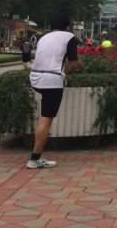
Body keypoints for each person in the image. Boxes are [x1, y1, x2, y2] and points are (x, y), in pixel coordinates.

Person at [27, 15, 80, 169]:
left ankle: (36, 157)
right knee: (46, 120)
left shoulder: (43, 37)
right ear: (68, 27)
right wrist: (62, 72)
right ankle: (35, 158)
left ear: (51, 27)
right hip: (51, 81)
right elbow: (74, 62)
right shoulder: (69, 37)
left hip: (35, 77)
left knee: (45, 118)